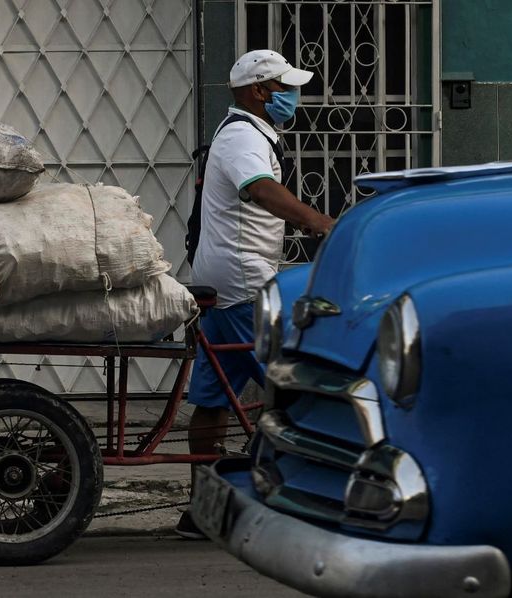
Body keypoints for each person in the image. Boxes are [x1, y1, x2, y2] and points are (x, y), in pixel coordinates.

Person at [176, 50, 334, 538]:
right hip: (245, 281)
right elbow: (261, 189)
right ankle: (293, 495)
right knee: (291, 389)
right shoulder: (244, 136)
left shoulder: (244, 132)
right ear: (260, 91)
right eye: (286, 87)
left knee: (214, 396)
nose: (293, 96)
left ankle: (202, 509)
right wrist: (318, 222)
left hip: (223, 278)